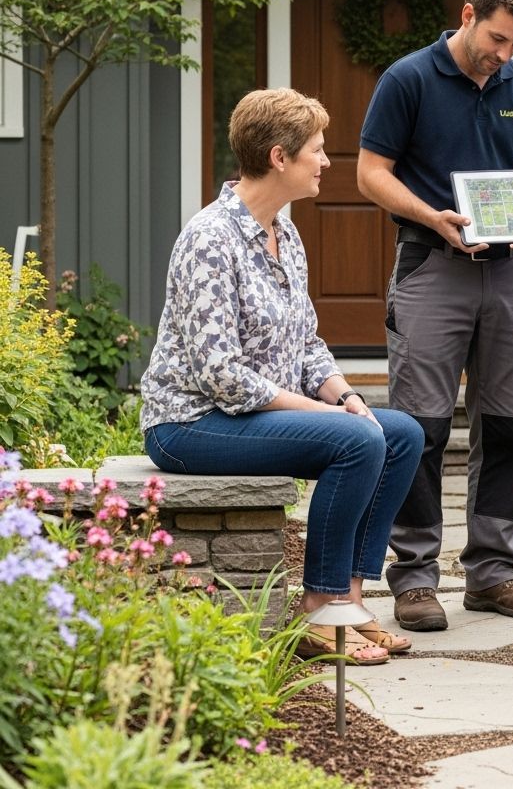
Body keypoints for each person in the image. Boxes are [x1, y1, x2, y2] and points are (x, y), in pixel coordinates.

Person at [140, 88, 423, 664]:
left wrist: (343, 393)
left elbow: (307, 343)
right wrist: (325, 413)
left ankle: (347, 600)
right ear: (278, 157)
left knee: (400, 434)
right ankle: (317, 614)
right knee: (356, 438)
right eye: (317, 150)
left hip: (254, 414)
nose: (326, 161)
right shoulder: (209, 240)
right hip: (192, 424)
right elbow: (221, 376)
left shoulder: (284, 233)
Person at [357, 0, 513, 632]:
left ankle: (493, 573)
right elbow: (370, 173)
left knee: (508, 426)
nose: (505, 55)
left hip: (508, 276)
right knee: (421, 429)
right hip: (430, 266)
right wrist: (432, 214)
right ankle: (414, 578)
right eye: (498, 39)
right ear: (468, 15)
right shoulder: (407, 79)